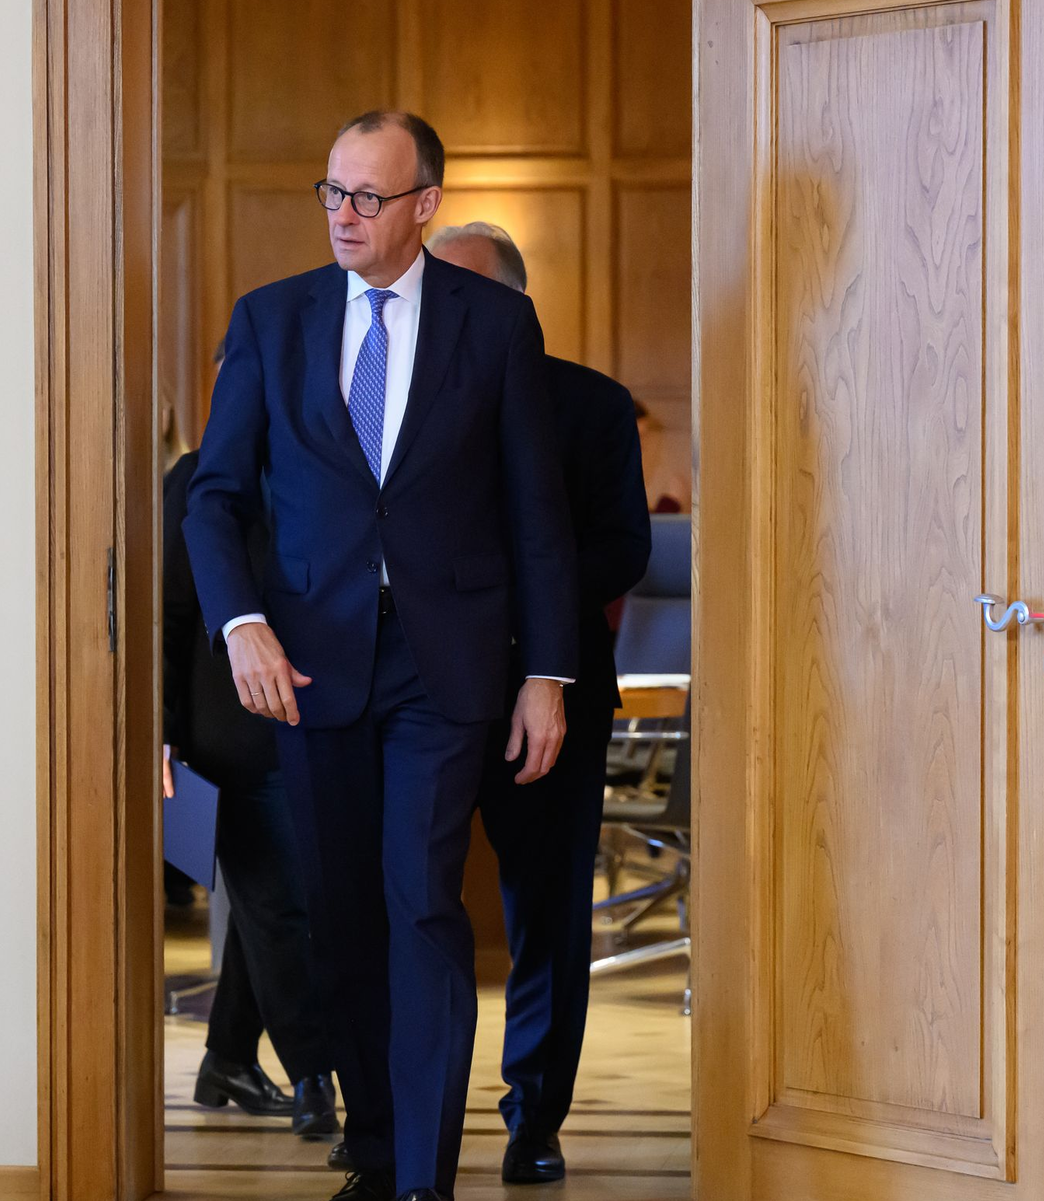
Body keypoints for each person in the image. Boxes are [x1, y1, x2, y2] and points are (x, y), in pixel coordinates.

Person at [182, 112, 578, 1201]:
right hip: (306, 670)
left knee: (422, 901)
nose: (343, 215)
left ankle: (423, 1177)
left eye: (368, 196)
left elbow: (534, 513)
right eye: (332, 192)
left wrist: (546, 673)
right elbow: (213, 501)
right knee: (341, 913)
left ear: (423, 206)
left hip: (444, 670)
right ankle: (375, 1138)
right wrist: (240, 622)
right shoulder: (272, 322)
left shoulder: (494, 327)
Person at [428, 222, 650, 1183]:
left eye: (459, 290)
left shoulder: (593, 407)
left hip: (553, 686)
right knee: (412, 903)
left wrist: (523, 622)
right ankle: (411, 1122)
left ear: (514, 304)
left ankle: (535, 1116)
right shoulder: (403, 402)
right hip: (426, 692)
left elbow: (623, 547)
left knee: (548, 908)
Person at [163, 436, 338, 1140]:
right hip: (229, 735)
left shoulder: (329, 458)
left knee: (276, 905)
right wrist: (164, 730)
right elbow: (171, 615)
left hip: (325, 726)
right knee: (280, 906)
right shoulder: (198, 475)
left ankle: (228, 1056)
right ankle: (314, 1076)